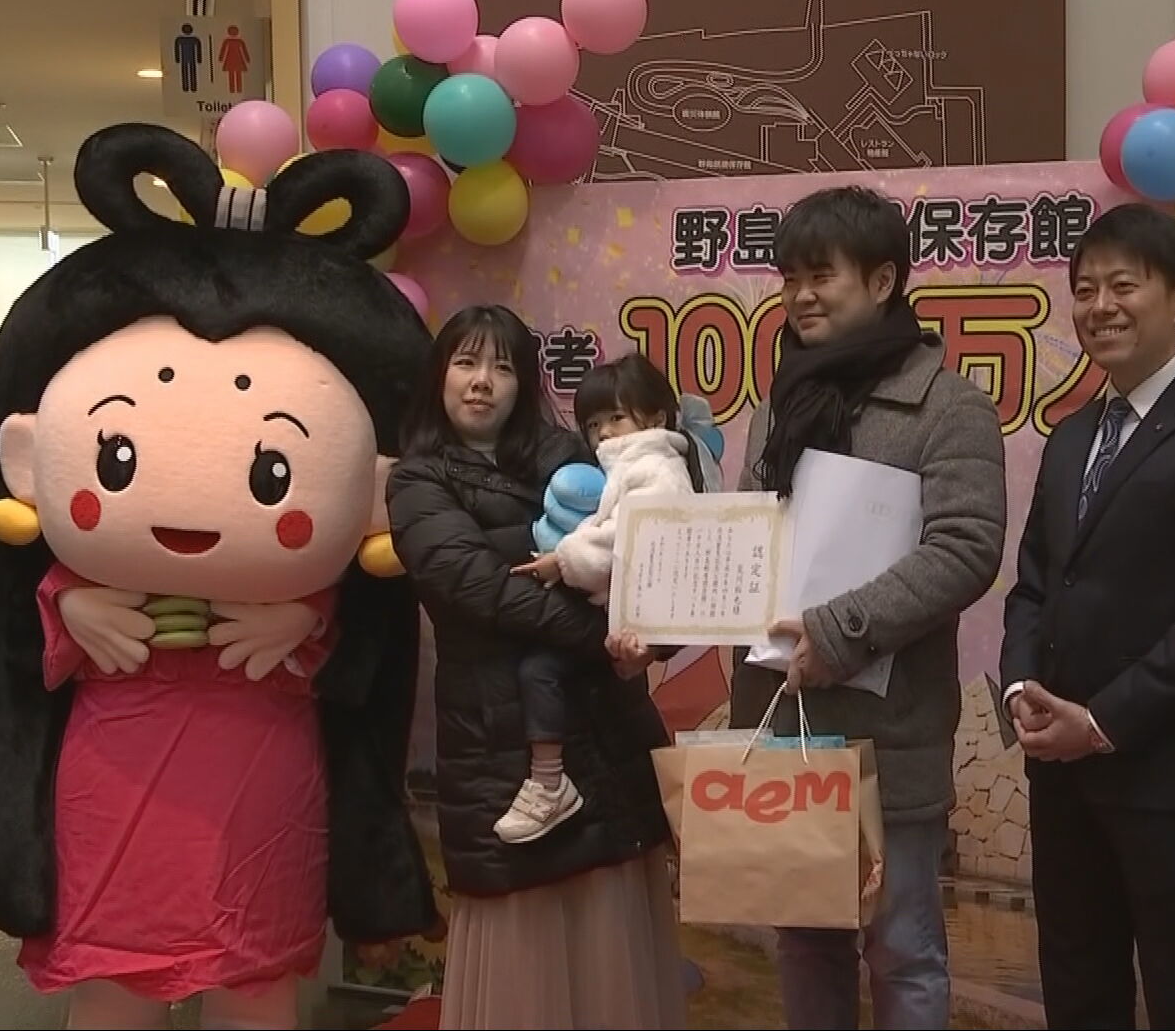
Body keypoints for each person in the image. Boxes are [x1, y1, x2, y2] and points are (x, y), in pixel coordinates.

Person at [0, 124, 437, 1028]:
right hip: (113, 769)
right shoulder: (58, 578)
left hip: (261, 766)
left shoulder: (339, 590)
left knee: (253, 979)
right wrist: (66, 607)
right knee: (113, 984)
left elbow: (371, 646)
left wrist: (312, 620)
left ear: (376, 488)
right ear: (26, 459)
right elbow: (13, 640)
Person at [1000, 203, 1175, 1030]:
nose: (1101, 307)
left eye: (1124, 286)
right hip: (1060, 775)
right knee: (1077, 983)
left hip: (1165, 777)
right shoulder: (1070, 437)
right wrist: (1021, 686)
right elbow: (1033, 585)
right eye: (1085, 289)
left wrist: (1100, 723)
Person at [730, 186, 1007, 1030]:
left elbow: (966, 549)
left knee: (904, 949)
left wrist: (838, 630)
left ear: (883, 281)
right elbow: (748, 542)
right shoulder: (781, 403)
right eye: (789, 279)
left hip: (889, 737)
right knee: (805, 943)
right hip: (785, 724)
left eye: (822, 276)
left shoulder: (950, 407)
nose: (800, 296)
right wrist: (664, 626)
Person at [388, 305, 685, 1030]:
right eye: (466, 363)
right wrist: (601, 633)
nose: (482, 382)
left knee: (613, 941)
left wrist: (652, 639)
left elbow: (657, 553)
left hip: (607, 733)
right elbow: (477, 589)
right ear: (440, 377)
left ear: (525, 382)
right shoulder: (417, 482)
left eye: (502, 366)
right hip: (499, 744)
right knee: (523, 950)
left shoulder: (580, 456)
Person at [497, 353, 718, 844]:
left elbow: (627, 538)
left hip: (632, 607)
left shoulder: (654, 469)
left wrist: (564, 560)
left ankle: (548, 782)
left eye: (616, 417)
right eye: (593, 424)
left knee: (541, 671)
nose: (603, 434)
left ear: (655, 418)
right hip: (623, 607)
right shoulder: (635, 464)